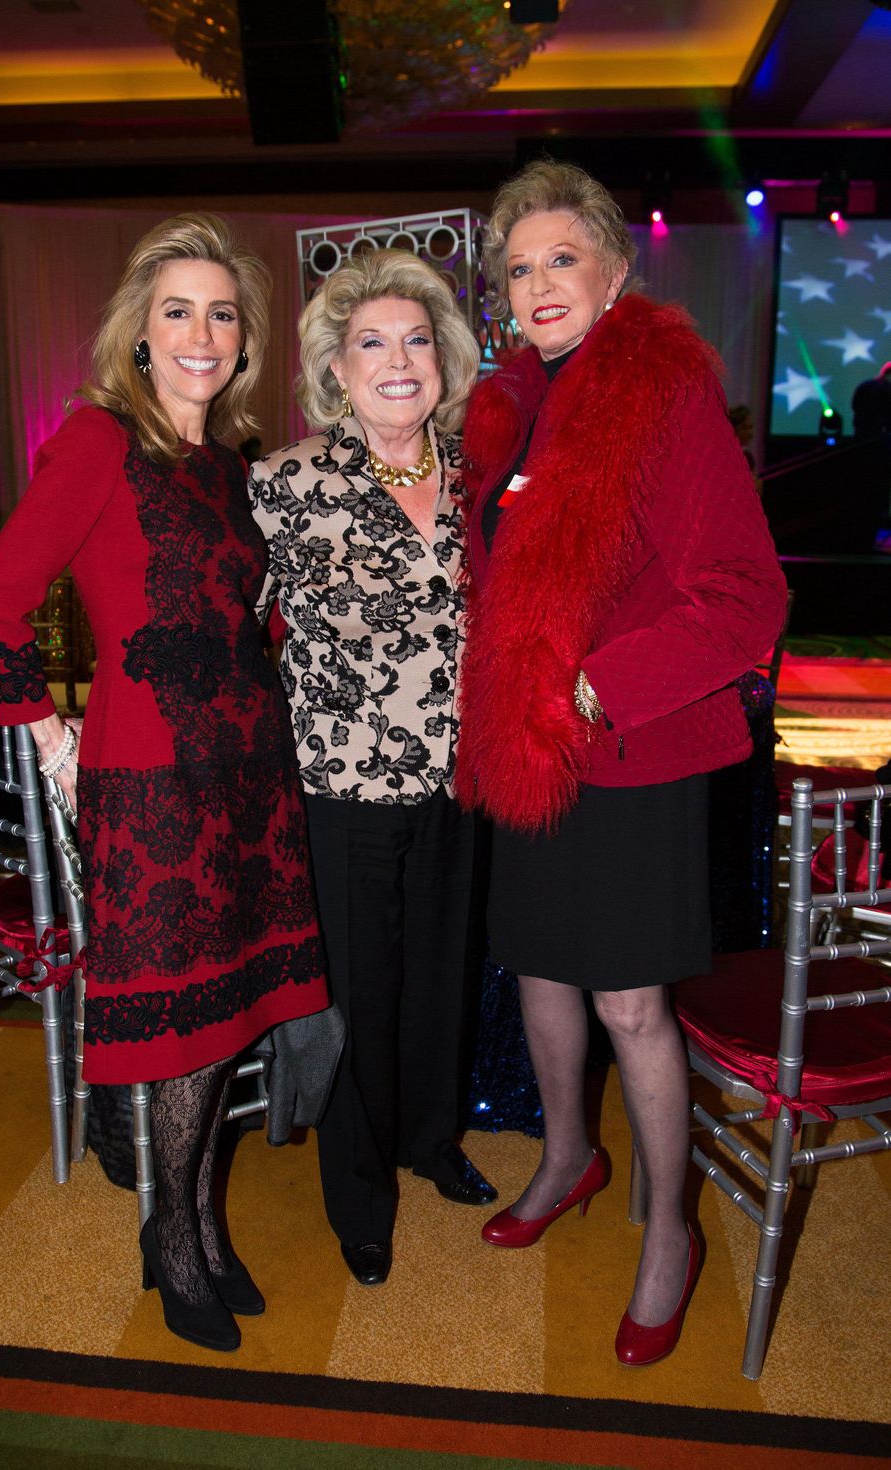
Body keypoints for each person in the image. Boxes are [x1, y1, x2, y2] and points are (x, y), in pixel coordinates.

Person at [0, 213, 329, 1352]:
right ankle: (171, 1233)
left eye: (221, 313)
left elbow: (243, 609)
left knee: (229, 1018)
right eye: (177, 310)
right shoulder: (94, 442)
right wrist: (47, 730)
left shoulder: (229, 462)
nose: (202, 332)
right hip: (153, 778)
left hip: (250, 772)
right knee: (183, 1029)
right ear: (138, 331)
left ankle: (201, 1225)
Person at [455, 161, 787, 1366]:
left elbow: (746, 598)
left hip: (630, 749)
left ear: (613, 268)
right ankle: (563, 1156)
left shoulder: (660, 393)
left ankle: (668, 1229)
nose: (536, 283)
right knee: (540, 966)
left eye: (559, 258)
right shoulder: (512, 402)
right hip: (524, 748)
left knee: (630, 1001)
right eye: (517, 265)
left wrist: (598, 683)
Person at [248, 249, 493, 1288]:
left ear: (443, 359)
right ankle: (359, 1195)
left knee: (442, 976)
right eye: (370, 344)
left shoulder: (481, 479)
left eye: (415, 340)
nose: (399, 361)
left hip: (459, 782)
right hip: (339, 788)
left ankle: (429, 1140)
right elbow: (208, 611)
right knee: (355, 996)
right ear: (335, 370)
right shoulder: (286, 485)